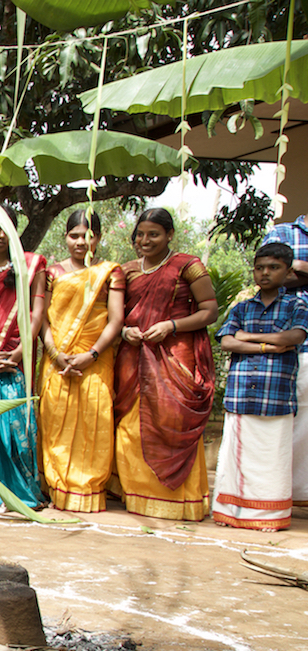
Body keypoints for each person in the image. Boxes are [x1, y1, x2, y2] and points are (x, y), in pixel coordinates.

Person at [114, 208, 218, 521]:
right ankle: (136, 495)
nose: (145, 240)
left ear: (170, 235)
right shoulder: (127, 271)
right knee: (131, 426)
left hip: (174, 353)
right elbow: (114, 316)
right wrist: (125, 331)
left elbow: (209, 311)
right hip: (134, 355)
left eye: (154, 234)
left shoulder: (188, 265)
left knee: (172, 422)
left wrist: (171, 326)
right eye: (140, 234)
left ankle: (176, 501)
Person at [211, 243, 308, 531]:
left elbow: (295, 336)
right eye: (259, 268)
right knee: (237, 456)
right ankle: (231, 513)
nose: (265, 273)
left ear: (288, 273)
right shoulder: (242, 307)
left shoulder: (296, 305)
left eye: (274, 267)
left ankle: (269, 517)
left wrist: (247, 337)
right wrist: (267, 345)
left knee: (272, 457)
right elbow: (227, 341)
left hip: (275, 396)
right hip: (241, 394)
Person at [38, 209, 125, 512]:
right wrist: (55, 354)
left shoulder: (110, 272)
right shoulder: (52, 273)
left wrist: (91, 355)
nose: (80, 242)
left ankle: (88, 490)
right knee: (54, 423)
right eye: (74, 235)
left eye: (87, 236)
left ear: (97, 238)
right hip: (57, 360)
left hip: (95, 360)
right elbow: (43, 319)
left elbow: (116, 320)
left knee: (94, 422)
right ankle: (56, 487)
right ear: (65, 237)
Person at [0, 210, 48, 512]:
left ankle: (21, 492)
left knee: (17, 427)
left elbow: (37, 313)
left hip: (17, 357)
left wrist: (20, 353)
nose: (0, 235)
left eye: (6, 228)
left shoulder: (31, 265)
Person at [260, 216, 308, 507]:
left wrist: (301, 269)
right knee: (281, 419)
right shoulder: (283, 232)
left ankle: (300, 495)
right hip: (281, 341)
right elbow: (269, 277)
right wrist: (291, 271)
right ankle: (274, 494)